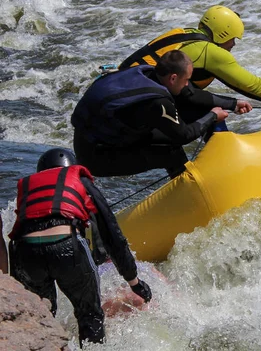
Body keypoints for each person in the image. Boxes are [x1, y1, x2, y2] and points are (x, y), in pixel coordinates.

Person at [7, 148, 152, 347]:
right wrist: (134, 282)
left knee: (42, 314)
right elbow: (113, 236)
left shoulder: (29, 186)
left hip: (25, 252)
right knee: (90, 316)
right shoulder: (81, 180)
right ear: (72, 167)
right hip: (66, 247)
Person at [118, 5, 261, 124]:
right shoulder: (211, 52)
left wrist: (231, 103)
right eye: (233, 39)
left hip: (123, 88)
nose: (233, 45)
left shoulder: (182, 32)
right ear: (224, 34)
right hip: (138, 105)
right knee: (212, 113)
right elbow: (253, 85)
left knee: (207, 106)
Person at [72, 50, 244, 178]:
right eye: (186, 80)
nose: (187, 85)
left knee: (176, 132)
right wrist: (213, 116)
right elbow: (183, 135)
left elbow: (191, 95)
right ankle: (191, 194)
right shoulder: (157, 102)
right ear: (173, 78)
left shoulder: (148, 72)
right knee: (171, 153)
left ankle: (213, 173)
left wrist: (233, 103)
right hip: (96, 156)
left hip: (101, 135)